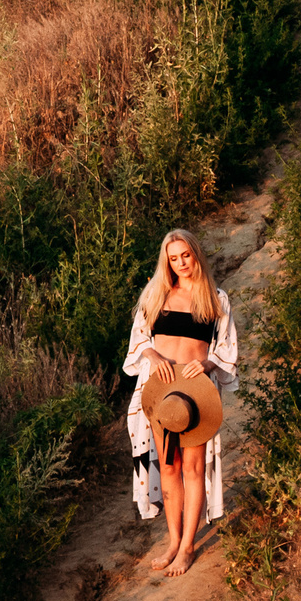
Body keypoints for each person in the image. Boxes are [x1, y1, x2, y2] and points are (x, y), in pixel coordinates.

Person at [122, 228, 237, 575]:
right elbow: (139, 340)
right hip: (161, 392)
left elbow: (226, 348)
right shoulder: (156, 294)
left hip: (197, 392)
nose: (181, 263)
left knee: (194, 468)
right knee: (169, 467)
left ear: (196, 254)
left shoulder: (215, 298)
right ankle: (173, 540)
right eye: (174, 258)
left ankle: (188, 547)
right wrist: (153, 356)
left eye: (185, 255)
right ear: (167, 261)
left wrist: (205, 363)